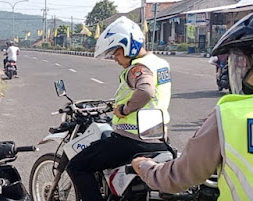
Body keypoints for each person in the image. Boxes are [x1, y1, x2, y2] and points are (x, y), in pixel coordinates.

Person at [131, 12, 253, 201]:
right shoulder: (155, 63)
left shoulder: (231, 116)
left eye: (241, 63)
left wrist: (146, 167)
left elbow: (181, 175)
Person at [66, 16, 172, 201]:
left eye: (116, 53)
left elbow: (146, 90)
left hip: (131, 140)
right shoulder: (159, 63)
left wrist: (123, 110)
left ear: (128, 46)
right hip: (159, 138)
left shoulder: (137, 68)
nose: (115, 58)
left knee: (77, 166)